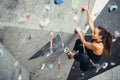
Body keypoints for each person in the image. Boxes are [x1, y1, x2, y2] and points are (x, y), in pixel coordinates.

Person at [64, 7, 112, 71]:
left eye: (94, 33)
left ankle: (72, 55)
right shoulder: (96, 37)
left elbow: (84, 42)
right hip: (89, 53)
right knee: (79, 41)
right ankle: (71, 54)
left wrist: (79, 32)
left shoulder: (98, 46)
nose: (92, 34)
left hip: (88, 64)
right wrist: (88, 11)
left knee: (84, 57)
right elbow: (91, 23)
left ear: (100, 37)